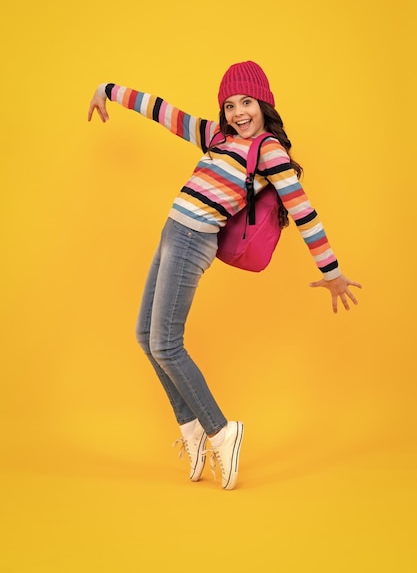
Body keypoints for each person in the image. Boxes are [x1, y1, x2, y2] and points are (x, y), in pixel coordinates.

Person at [87, 61, 361, 490]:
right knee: (145, 336)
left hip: (194, 239)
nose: (238, 112)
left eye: (246, 102)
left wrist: (333, 271)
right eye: (230, 105)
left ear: (263, 104)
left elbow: (303, 210)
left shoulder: (268, 150)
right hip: (170, 233)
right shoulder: (217, 138)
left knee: (166, 343)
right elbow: (163, 111)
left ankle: (220, 431)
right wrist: (107, 89)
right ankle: (191, 429)